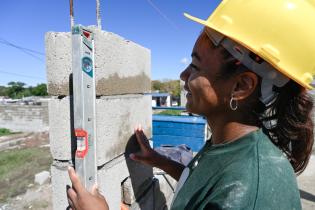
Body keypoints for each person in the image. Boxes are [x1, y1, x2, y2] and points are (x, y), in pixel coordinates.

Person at [66, 0, 315, 209]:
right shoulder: (230, 143)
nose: (184, 75)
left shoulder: (250, 195)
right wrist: (159, 160)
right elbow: (207, 186)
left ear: (241, 86)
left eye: (195, 66)